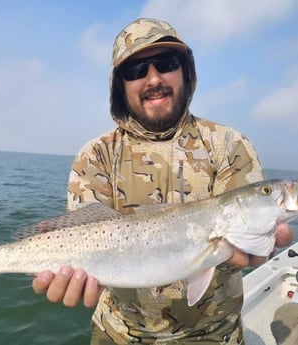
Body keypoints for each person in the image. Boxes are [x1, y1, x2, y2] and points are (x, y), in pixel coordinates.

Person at [32, 18, 293, 344]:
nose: (154, 78)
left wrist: (249, 246)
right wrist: (80, 279)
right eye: (136, 70)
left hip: (216, 335)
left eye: (167, 63)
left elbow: (238, 248)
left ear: (186, 71)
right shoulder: (96, 155)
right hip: (118, 336)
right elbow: (85, 233)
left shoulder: (229, 144)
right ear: (119, 84)